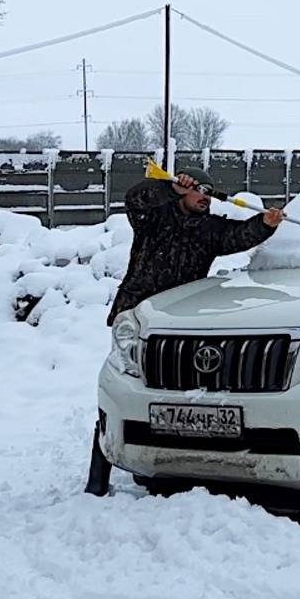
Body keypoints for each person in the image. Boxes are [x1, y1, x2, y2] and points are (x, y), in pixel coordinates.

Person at [84, 170, 284, 495]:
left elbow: (238, 236)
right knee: (124, 389)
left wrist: (265, 224)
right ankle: (98, 478)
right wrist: (167, 187)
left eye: (210, 192)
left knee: (177, 395)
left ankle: (171, 461)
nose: (205, 196)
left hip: (181, 322)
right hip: (139, 317)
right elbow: (136, 197)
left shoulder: (209, 229)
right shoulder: (154, 217)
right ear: (183, 192)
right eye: (199, 190)